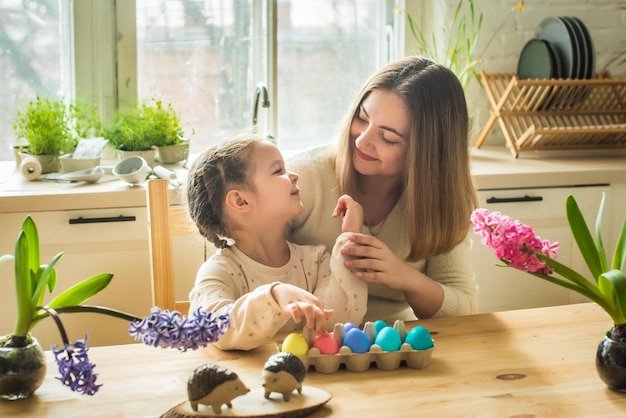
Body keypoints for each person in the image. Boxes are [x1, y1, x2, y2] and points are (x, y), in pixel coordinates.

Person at [286, 55, 478, 322]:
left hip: (395, 345)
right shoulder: (302, 178)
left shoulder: (442, 199)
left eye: (387, 138)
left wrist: (404, 277)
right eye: (362, 119)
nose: (362, 141)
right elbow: (246, 278)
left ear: (426, 153)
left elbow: (464, 308)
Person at [186, 135, 368, 351]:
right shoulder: (218, 272)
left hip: (308, 382)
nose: (294, 175)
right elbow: (216, 329)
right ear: (241, 201)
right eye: (278, 171)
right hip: (244, 382)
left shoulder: (315, 260)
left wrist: (350, 239)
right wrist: (273, 295)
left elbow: (340, 320)